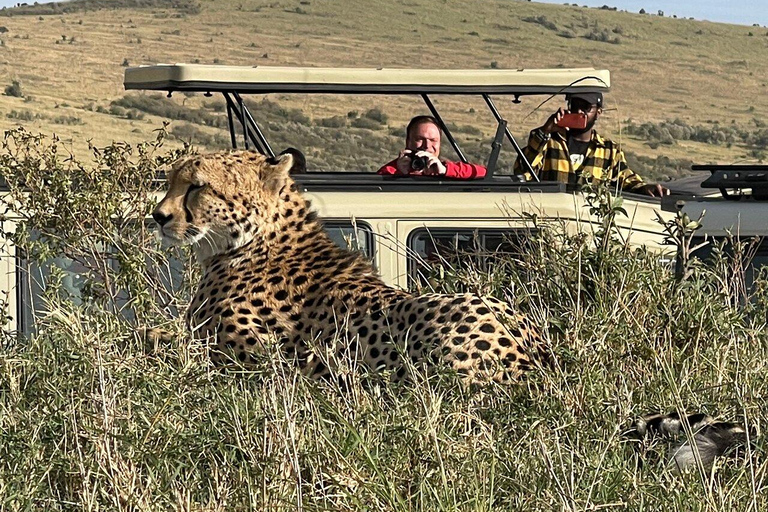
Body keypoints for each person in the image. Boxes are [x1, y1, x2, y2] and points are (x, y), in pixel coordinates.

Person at [514, 92, 669, 197]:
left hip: (588, 226)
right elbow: (522, 171)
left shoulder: (609, 150)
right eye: (575, 106)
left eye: (586, 107)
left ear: (598, 112)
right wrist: (545, 130)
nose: (580, 111)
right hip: (551, 219)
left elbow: (627, 179)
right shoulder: (548, 142)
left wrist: (645, 188)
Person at [378, 115, 486, 179]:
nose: (427, 146)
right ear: (408, 142)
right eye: (420, 139)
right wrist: (401, 174)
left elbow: (484, 173)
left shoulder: (445, 168)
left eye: (433, 140)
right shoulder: (391, 171)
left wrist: (445, 171)